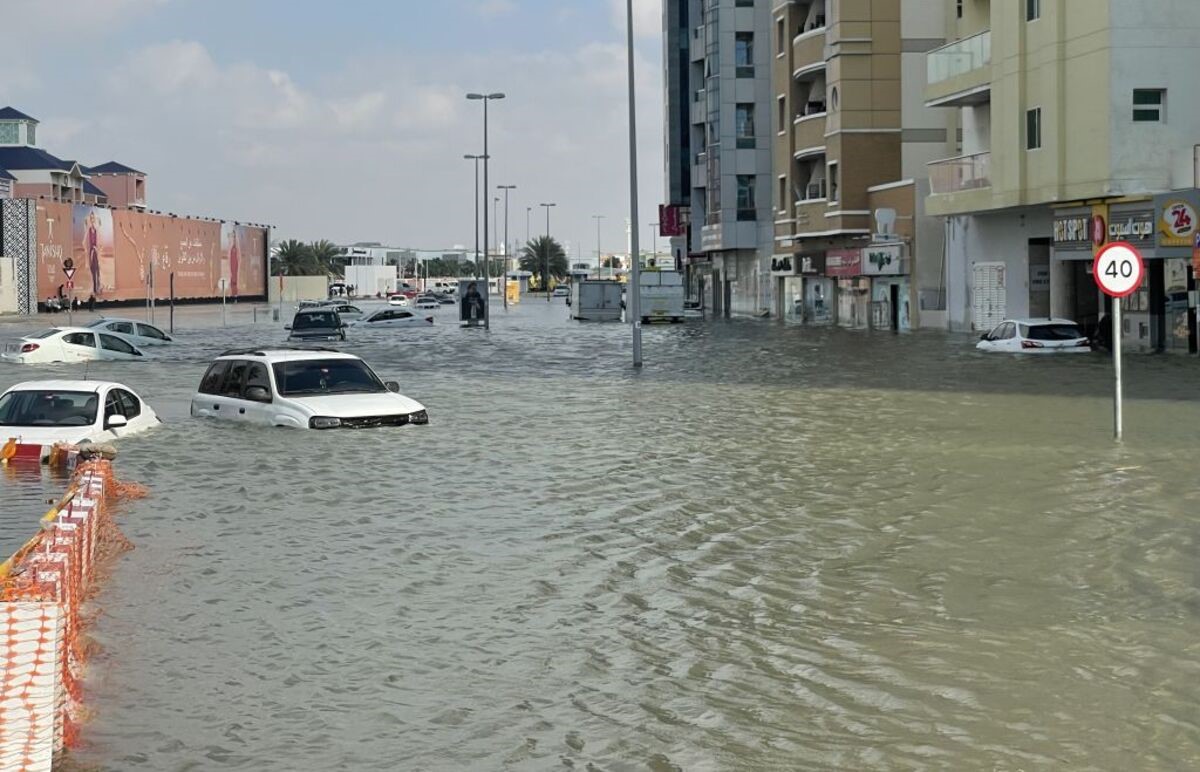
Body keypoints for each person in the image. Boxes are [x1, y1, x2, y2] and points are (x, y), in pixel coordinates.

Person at [86, 211, 101, 296]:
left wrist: (97, 248)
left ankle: (97, 288)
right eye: (91, 218)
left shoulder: (96, 230)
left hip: (96, 253)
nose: (92, 220)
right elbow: (86, 243)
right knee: (92, 272)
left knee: (97, 271)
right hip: (91, 254)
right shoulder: (88, 231)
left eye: (93, 218)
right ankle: (94, 288)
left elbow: (100, 242)